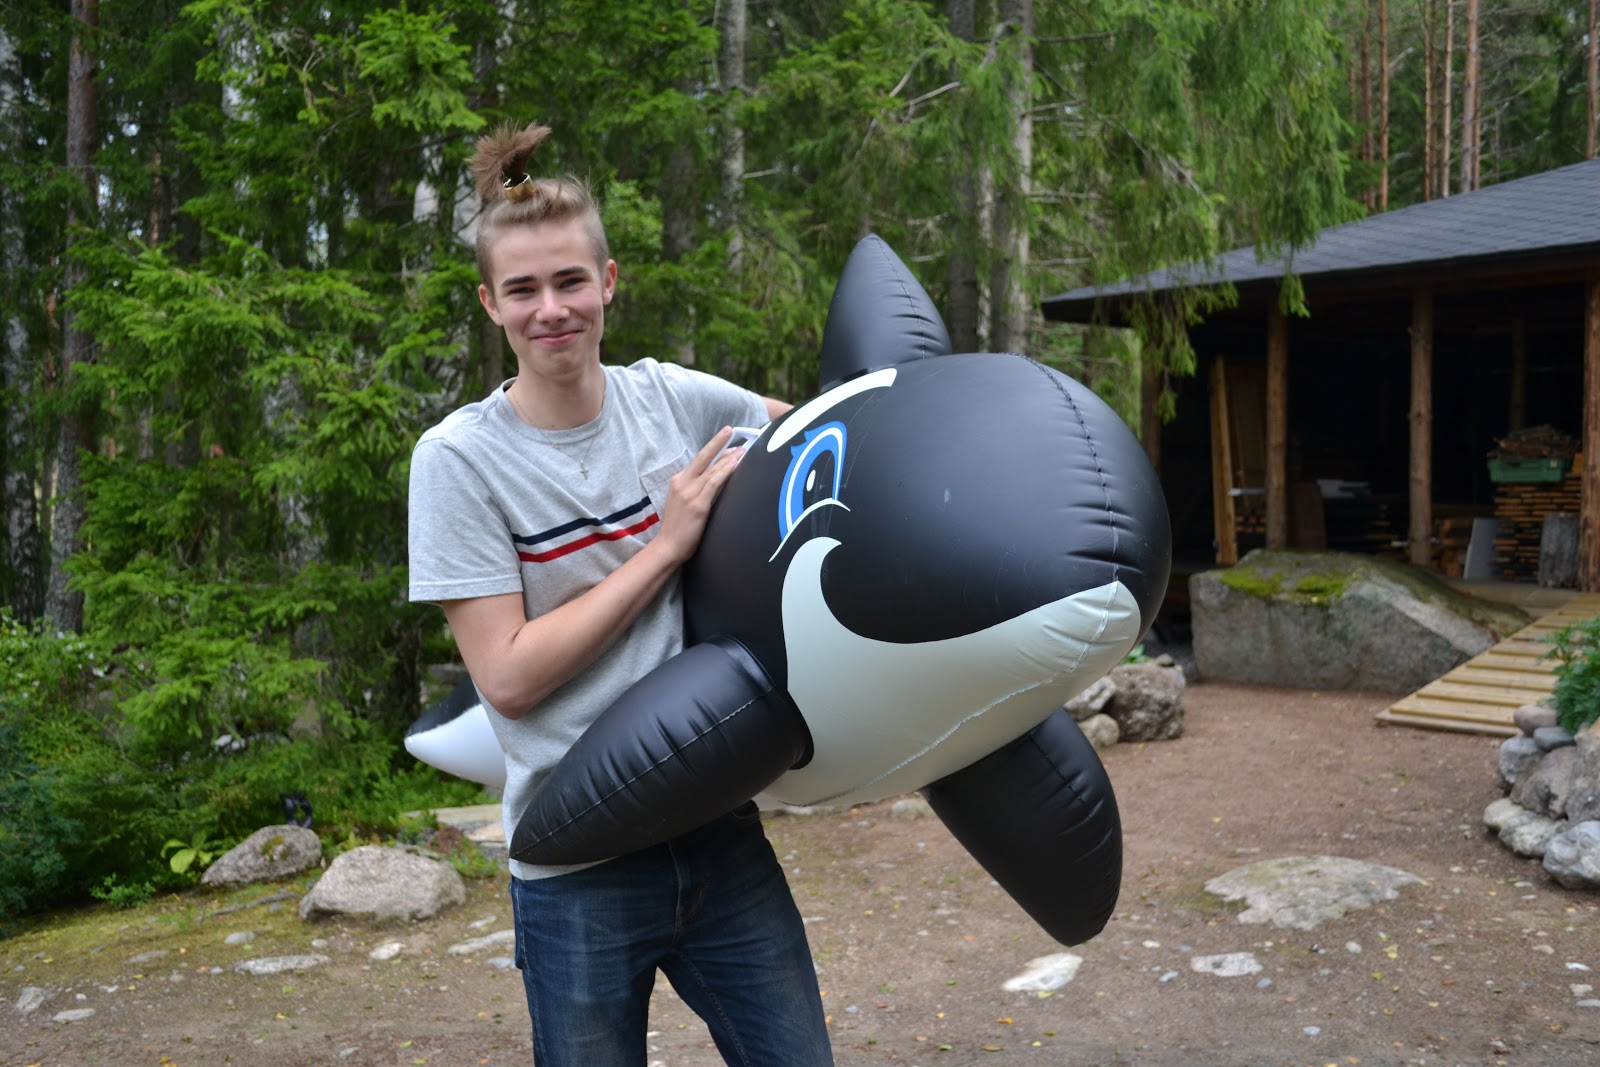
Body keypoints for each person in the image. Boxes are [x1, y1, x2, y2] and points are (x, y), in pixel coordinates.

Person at [406, 121, 834, 1066]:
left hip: (720, 831)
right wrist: (665, 546)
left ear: (608, 281)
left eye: (570, 281)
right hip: (576, 863)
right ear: (490, 303)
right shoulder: (458, 461)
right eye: (524, 289)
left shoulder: (671, 398)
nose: (551, 309)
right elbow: (508, 677)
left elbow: (808, 433)